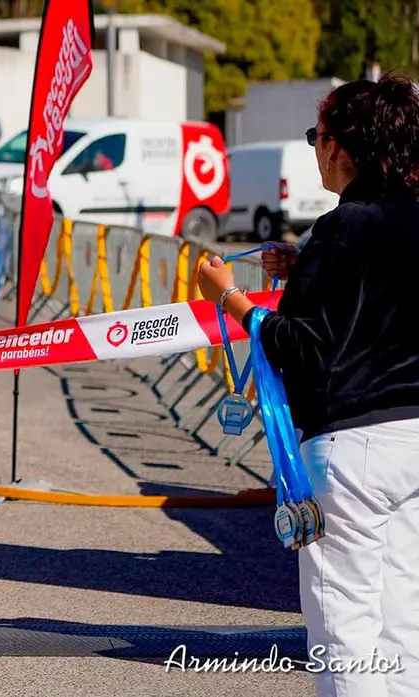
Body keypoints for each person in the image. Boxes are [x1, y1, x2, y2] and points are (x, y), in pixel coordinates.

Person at [197, 73, 419, 697]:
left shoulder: (344, 227)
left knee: (343, 633)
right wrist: (306, 270)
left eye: (315, 136)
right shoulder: (394, 222)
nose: (314, 149)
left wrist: (233, 300)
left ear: (343, 147)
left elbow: (305, 348)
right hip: (414, 438)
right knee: (404, 629)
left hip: (354, 447)